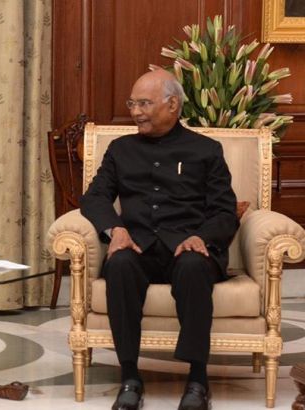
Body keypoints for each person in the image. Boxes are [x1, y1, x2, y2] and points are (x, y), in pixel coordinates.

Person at [80, 69, 239, 410]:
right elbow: (94, 198)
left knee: (195, 266)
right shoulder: (120, 149)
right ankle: (130, 376)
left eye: (144, 103)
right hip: (138, 246)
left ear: (172, 105)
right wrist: (115, 230)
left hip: (187, 247)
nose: (136, 111)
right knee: (119, 262)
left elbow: (225, 211)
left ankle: (197, 379)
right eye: (132, 103)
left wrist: (201, 237)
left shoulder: (206, 150)